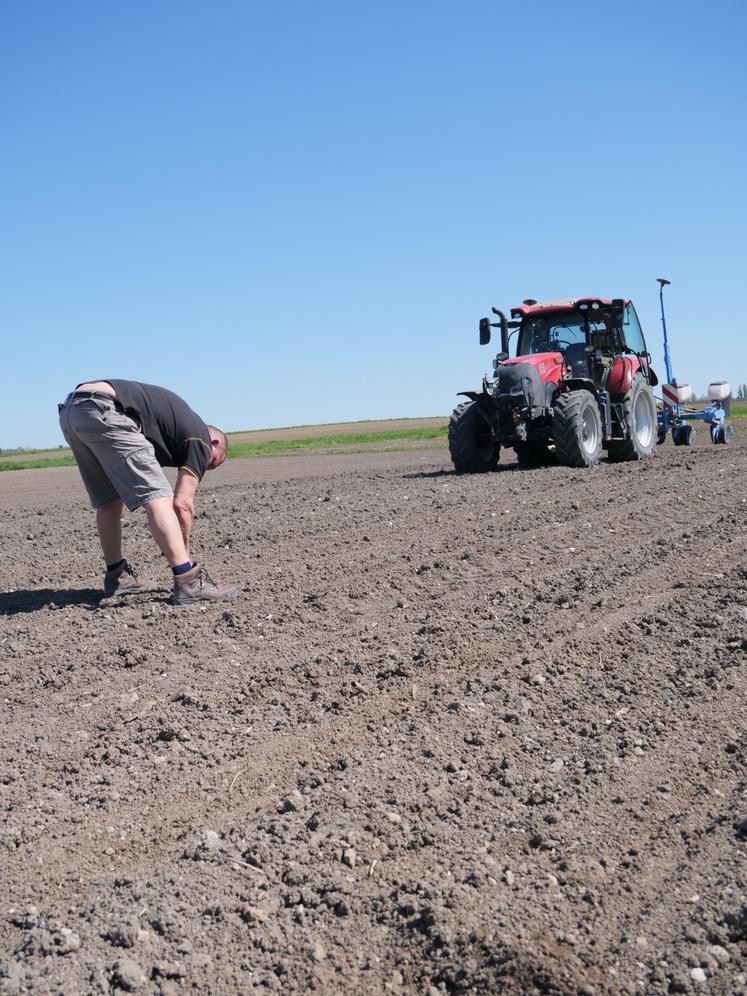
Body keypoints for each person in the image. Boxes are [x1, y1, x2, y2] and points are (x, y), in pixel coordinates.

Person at [58, 379, 239, 604]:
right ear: (213, 441)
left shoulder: (175, 429)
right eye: (211, 463)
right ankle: (189, 582)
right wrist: (184, 552)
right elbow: (182, 504)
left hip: (73, 411)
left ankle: (117, 577)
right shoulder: (201, 438)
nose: (204, 467)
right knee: (159, 497)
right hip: (106, 409)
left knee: (109, 501)